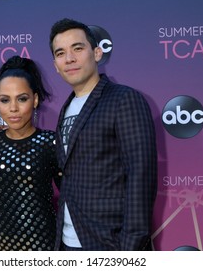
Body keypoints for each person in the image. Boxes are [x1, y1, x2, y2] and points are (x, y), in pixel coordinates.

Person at [49, 18, 158, 251]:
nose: (69, 58)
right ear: (56, 65)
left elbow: (141, 177)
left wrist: (130, 249)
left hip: (110, 244)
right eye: (61, 53)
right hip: (68, 242)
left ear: (97, 53)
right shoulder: (66, 108)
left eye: (77, 48)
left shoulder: (124, 100)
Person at [0, 55, 62, 251]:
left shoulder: (51, 142)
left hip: (41, 247)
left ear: (34, 100)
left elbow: (73, 196)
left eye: (22, 99)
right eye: (5, 100)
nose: (13, 108)